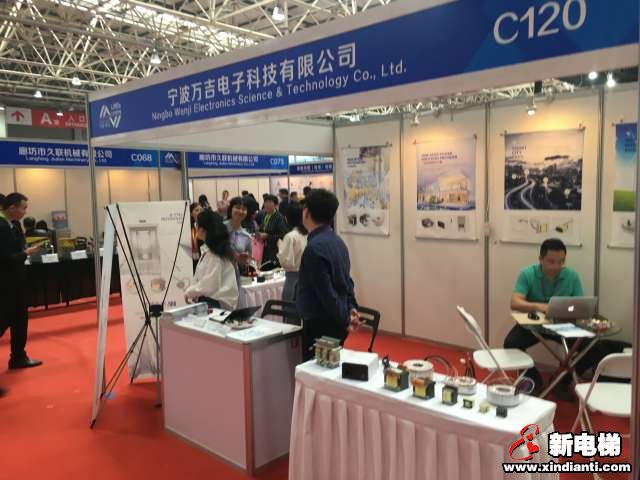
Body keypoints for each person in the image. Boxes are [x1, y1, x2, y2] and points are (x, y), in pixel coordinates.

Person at [504, 238, 599, 395]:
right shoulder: (528, 273)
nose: (556, 266)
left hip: (562, 326)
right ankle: (533, 379)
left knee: (594, 347)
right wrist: (540, 307)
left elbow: (580, 305)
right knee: (511, 343)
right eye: (551, 261)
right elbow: (515, 302)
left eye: (561, 262)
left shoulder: (571, 276)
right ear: (540, 259)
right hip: (534, 325)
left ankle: (562, 379)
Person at [296, 189, 360, 360]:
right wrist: (351, 308)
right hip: (334, 320)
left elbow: (326, 293)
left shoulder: (314, 248)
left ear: (307, 213)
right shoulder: (338, 242)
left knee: (316, 371)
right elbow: (347, 282)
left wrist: (346, 318)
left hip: (320, 324)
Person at [0, 193, 43, 371]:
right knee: (5, 320)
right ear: (12, 208)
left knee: (19, 321)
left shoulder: (14, 225)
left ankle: (18, 357)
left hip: (16, 282)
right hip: (5, 284)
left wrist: (24, 250)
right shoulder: (1, 227)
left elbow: (17, 247)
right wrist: (25, 253)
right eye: (23, 208)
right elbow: (5, 258)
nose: (25, 212)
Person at [184, 210, 239, 310]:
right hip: (213, 302)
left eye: (196, 224)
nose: (195, 227)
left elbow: (209, 285)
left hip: (216, 305)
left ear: (202, 230)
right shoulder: (212, 251)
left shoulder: (215, 255)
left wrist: (189, 292)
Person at [277, 202, 307, 302]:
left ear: (286, 218)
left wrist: (280, 247)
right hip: (307, 279)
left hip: (293, 279)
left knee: (290, 309)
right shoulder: (309, 234)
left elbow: (286, 263)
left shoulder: (291, 236)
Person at [258, 194, 288, 270]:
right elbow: (262, 229)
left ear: (275, 204)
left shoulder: (279, 217)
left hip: (274, 251)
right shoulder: (264, 215)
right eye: (265, 202)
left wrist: (267, 236)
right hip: (264, 250)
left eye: (270, 202)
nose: (267, 204)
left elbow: (283, 235)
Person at [225, 197, 253, 273]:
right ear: (230, 209)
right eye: (237, 207)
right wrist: (235, 255)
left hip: (235, 274)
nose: (240, 211)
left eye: (244, 209)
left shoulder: (246, 236)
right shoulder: (220, 228)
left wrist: (244, 261)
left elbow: (248, 261)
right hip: (217, 273)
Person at [189, 202, 204, 268]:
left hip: (204, 259)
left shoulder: (206, 226)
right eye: (197, 210)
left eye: (201, 210)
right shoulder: (189, 227)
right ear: (191, 214)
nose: (200, 212)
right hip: (191, 260)